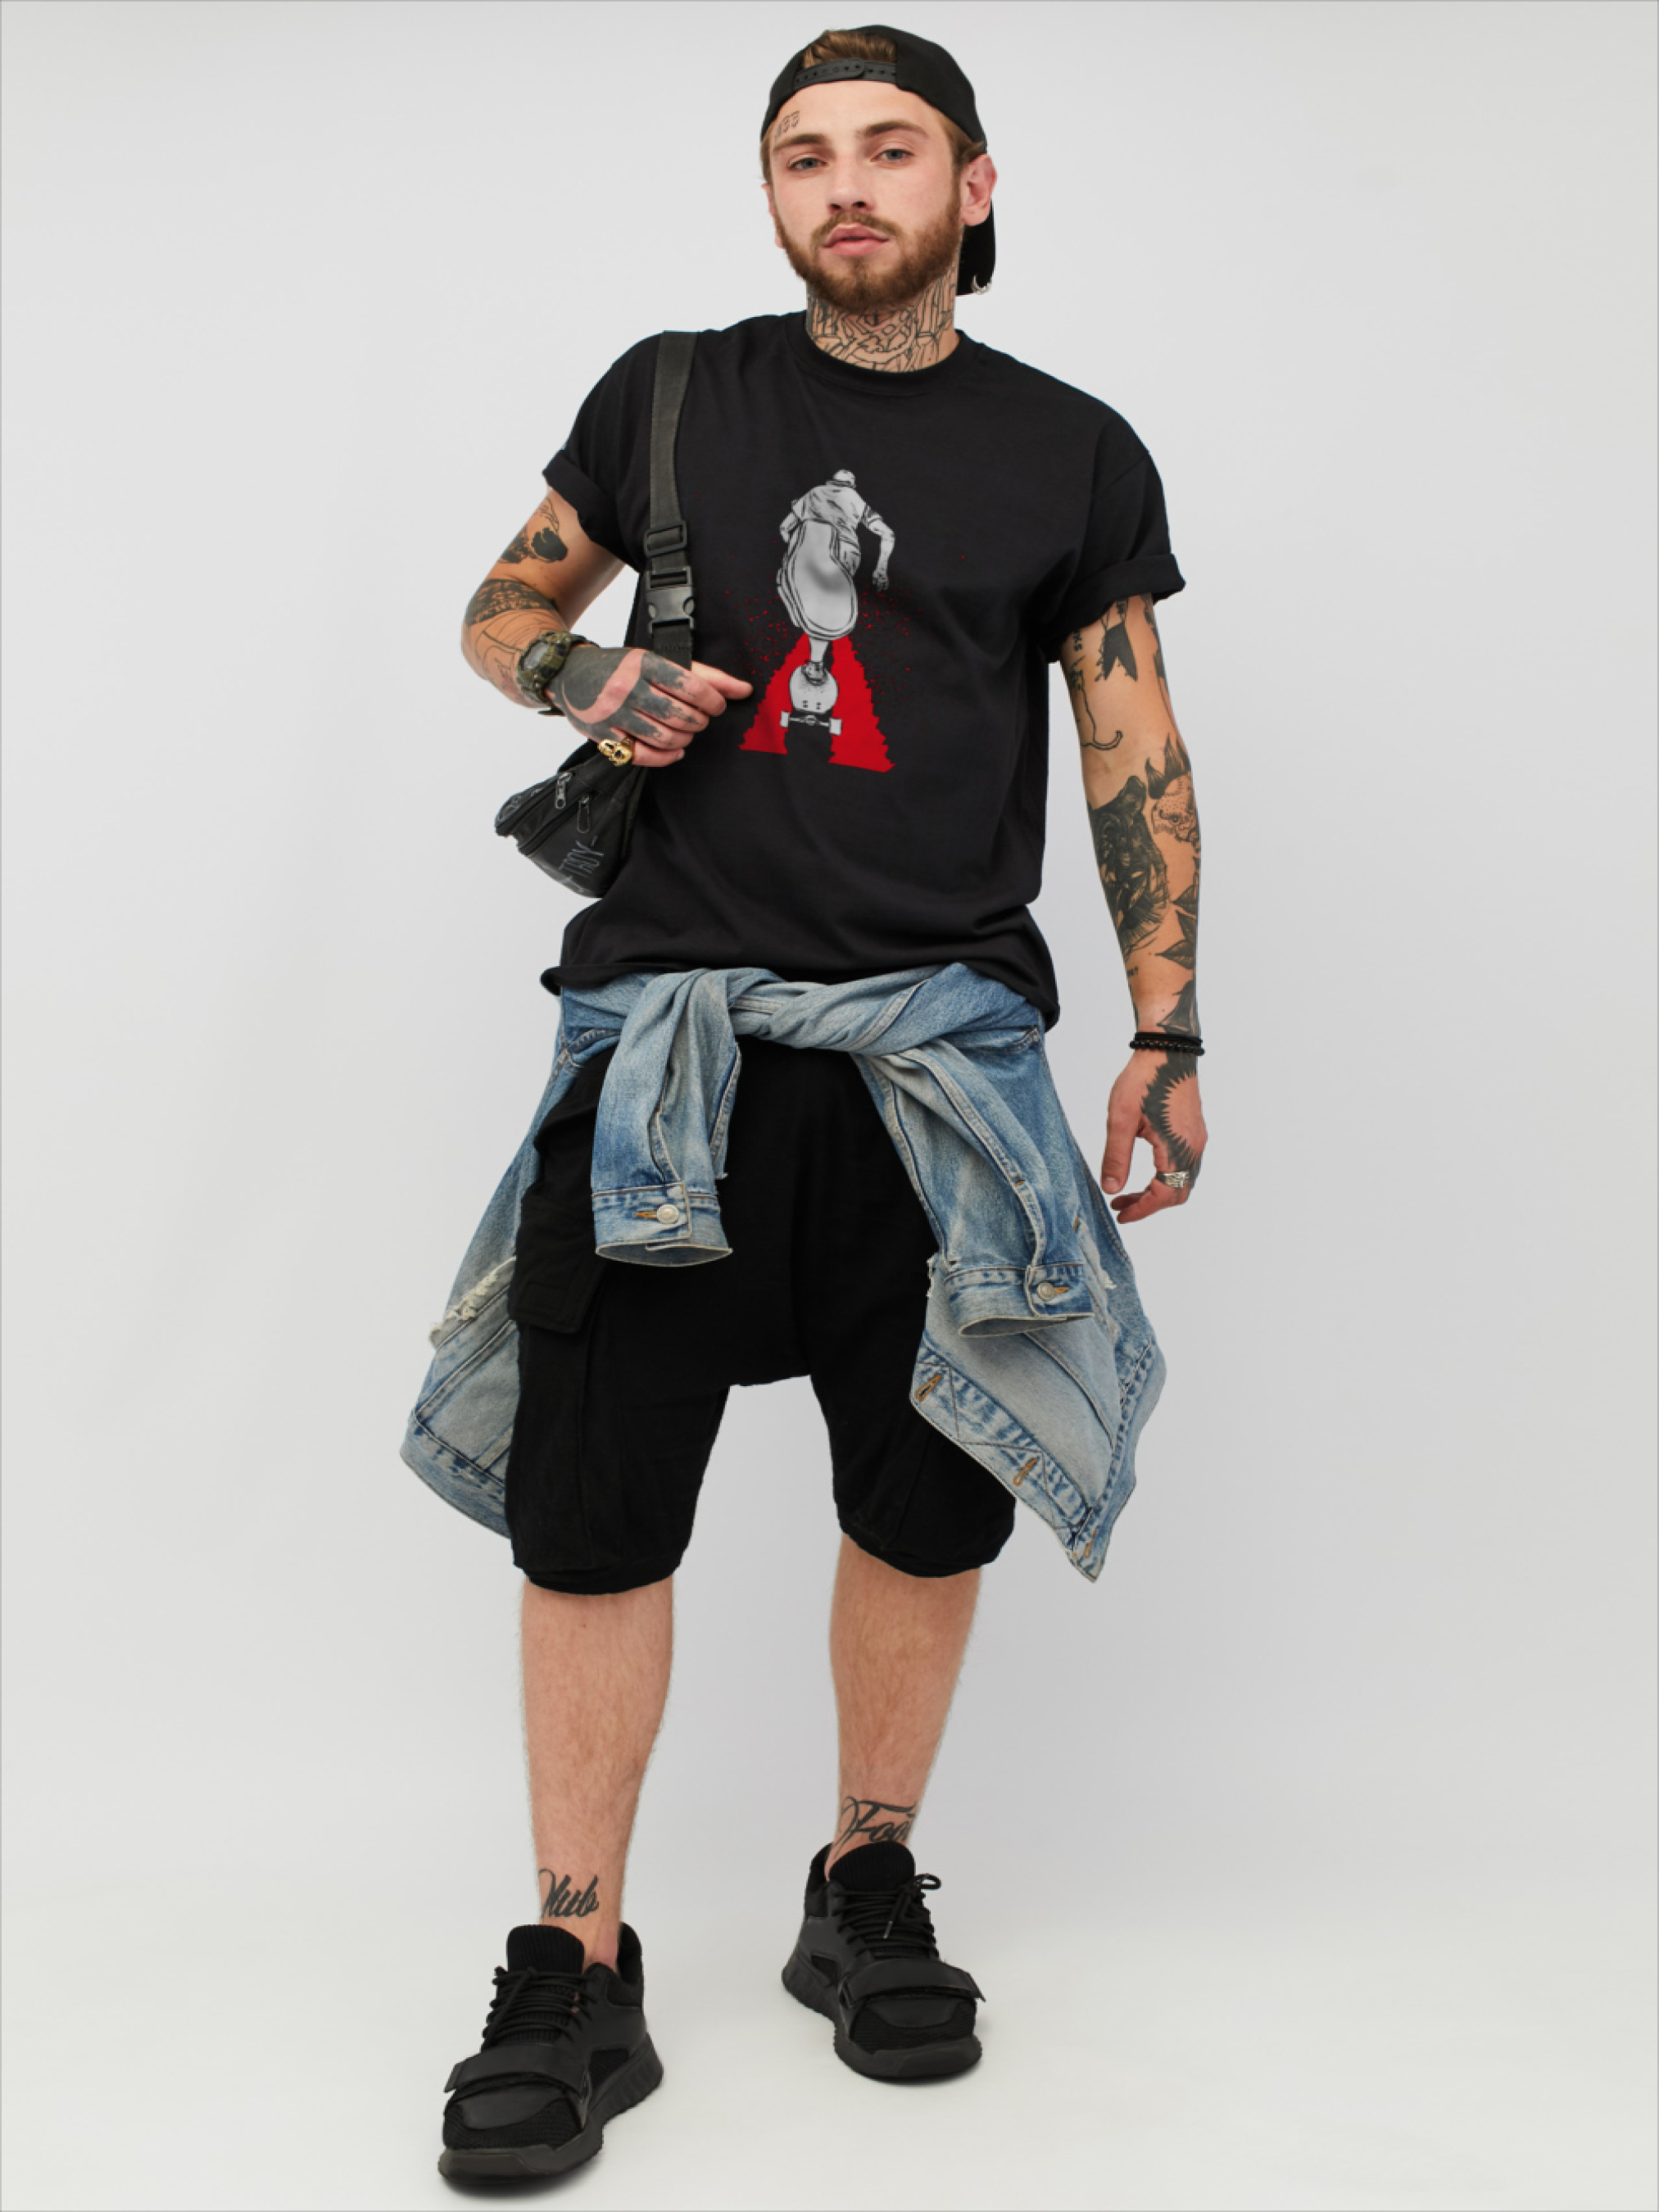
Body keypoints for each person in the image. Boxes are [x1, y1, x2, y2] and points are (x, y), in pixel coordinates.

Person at [422, 22, 1208, 2182]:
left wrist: (1167, 1029)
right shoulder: (675, 393)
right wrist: (584, 671)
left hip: (938, 1052)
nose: (843, 183)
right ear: (772, 193)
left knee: (928, 1492)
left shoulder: (1069, 452)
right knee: (592, 1508)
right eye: (802, 154)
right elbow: (503, 606)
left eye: (888, 147)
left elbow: (1132, 743)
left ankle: (864, 1874)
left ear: (972, 185)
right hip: (668, 1039)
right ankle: (575, 1950)